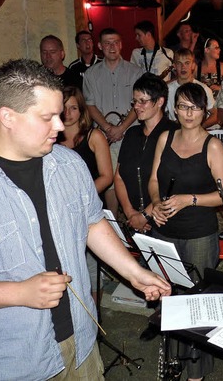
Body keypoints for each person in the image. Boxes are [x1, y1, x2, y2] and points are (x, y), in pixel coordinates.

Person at [0, 59, 170, 380]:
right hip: (8, 359)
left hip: (80, 341)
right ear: (7, 117)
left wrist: (133, 272)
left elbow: (92, 222)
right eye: (47, 117)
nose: (60, 126)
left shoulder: (68, 164)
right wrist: (18, 293)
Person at [148, 83, 223, 381]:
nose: (188, 113)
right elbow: (154, 181)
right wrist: (156, 203)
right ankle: (174, 363)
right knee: (170, 300)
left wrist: (189, 200)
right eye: (183, 106)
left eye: (195, 107)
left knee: (197, 304)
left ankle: (197, 373)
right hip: (165, 232)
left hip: (199, 233)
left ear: (205, 111)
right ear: (174, 108)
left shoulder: (213, 145)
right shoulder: (164, 138)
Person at [57, 86, 113, 304]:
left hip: (87, 207)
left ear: (82, 110)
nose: (68, 113)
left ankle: (94, 309)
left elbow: (106, 176)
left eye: (73, 108)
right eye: (64, 108)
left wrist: (81, 199)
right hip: (60, 209)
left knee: (90, 264)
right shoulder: (51, 138)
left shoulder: (94, 136)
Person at [84, 27, 143, 213]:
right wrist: (108, 128)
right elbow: (90, 105)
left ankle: (134, 220)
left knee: (133, 178)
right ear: (100, 46)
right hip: (104, 138)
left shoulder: (136, 72)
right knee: (108, 180)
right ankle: (115, 222)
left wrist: (122, 128)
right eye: (107, 43)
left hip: (131, 134)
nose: (112, 47)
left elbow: (140, 103)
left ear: (121, 45)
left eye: (116, 42)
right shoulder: (91, 74)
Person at [115, 73, 179, 236]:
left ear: (160, 102)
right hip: (134, 220)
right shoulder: (132, 134)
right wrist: (131, 214)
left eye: (142, 101)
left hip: (165, 220)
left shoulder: (174, 133)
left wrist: (145, 216)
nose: (136, 106)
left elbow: (172, 183)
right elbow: (119, 176)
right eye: (135, 101)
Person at [167, 48, 217, 128]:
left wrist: (200, 128)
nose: (183, 67)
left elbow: (215, 114)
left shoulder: (203, 88)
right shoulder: (167, 90)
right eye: (179, 63)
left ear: (193, 65)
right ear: (174, 66)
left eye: (187, 63)